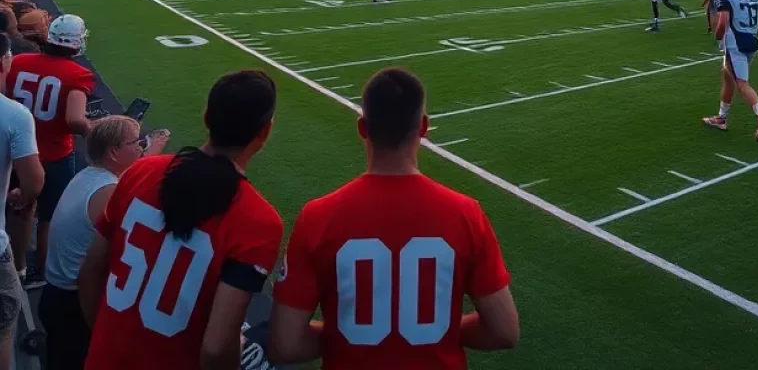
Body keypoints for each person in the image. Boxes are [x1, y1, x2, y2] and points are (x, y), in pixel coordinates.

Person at [268, 67, 518, 368]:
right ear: (424, 127)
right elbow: (504, 331)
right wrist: (441, 331)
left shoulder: (318, 217)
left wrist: (344, 334)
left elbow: (286, 345)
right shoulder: (465, 214)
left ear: (362, 127)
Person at [79, 70, 283, 370]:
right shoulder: (259, 221)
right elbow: (215, 349)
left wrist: (106, 341)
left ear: (206, 117)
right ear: (264, 132)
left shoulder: (140, 171)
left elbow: (90, 271)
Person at [40, 116, 170, 370]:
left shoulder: (90, 176)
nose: (142, 147)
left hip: (57, 299)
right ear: (113, 152)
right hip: (73, 308)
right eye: (137, 142)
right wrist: (99, 326)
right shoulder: (109, 192)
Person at [6, 13, 94, 285]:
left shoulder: (19, 62)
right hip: (54, 155)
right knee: (49, 217)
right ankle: (42, 271)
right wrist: (95, 131)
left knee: (21, 208)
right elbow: (74, 119)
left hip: (18, 151)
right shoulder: (77, 73)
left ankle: (18, 266)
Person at [0, 33, 44, 370]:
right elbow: (33, 181)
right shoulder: (13, 114)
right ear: (4, 61)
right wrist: (20, 196)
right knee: (4, 328)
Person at [702, 0, 758, 141]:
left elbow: (723, 21)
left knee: (741, 83)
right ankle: (721, 117)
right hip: (751, 42)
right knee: (728, 77)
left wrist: (718, 37)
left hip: (735, 44)